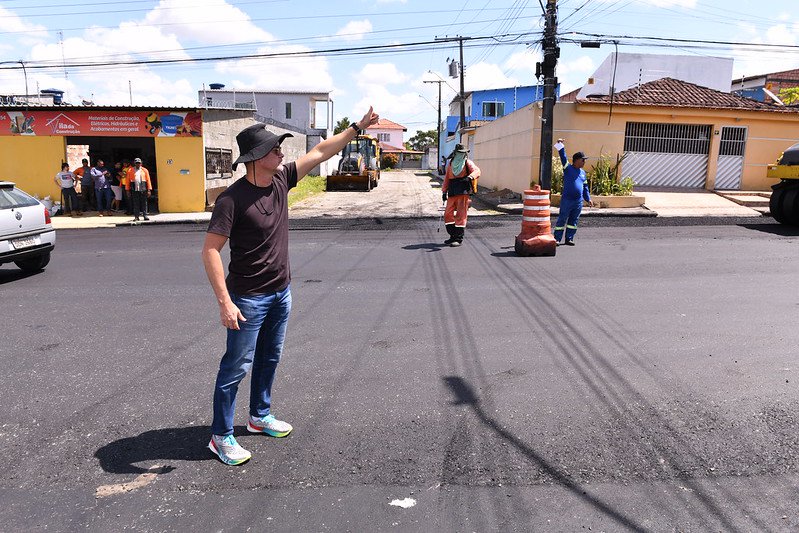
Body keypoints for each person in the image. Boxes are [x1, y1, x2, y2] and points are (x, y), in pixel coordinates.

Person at [202, 106, 380, 466]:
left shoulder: (282, 178)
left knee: (270, 357)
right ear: (255, 158)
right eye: (274, 148)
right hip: (247, 299)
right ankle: (220, 436)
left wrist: (357, 128)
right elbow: (209, 251)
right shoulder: (231, 200)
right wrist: (225, 302)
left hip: (280, 292)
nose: (281, 152)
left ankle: (258, 416)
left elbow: (320, 151)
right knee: (236, 366)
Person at [553, 139, 593, 245]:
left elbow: (585, 188)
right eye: (582, 160)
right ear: (576, 160)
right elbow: (563, 156)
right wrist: (560, 145)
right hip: (567, 200)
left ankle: (569, 238)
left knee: (573, 221)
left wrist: (588, 199)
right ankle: (557, 239)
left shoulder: (583, 173)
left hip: (578, 202)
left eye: (584, 160)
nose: (584, 162)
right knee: (562, 220)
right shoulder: (568, 168)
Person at [441, 143, 480, 247]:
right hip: (452, 191)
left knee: (461, 215)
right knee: (447, 214)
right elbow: (446, 179)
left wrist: (470, 177)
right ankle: (452, 236)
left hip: (463, 191)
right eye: (459, 153)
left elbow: (477, 171)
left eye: (463, 153)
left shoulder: (467, 162)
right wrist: (444, 192)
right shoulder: (451, 163)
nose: (461, 155)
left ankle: (458, 239)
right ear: (455, 153)